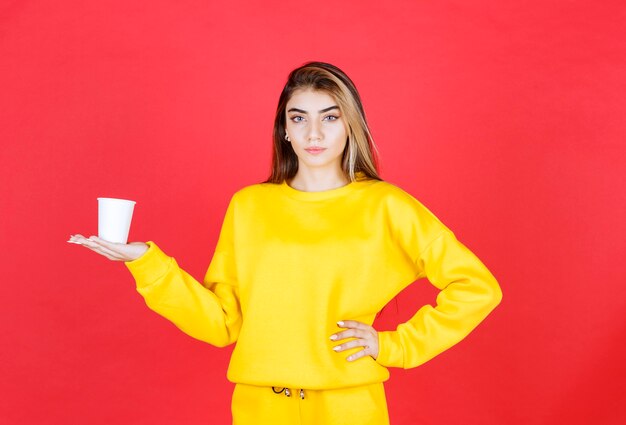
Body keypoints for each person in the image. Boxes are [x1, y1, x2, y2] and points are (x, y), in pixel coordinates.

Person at [68, 61, 503, 425]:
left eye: (330, 117)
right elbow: (223, 324)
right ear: (285, 130)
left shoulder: (386, 206)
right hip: (260, 407)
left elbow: (476, 287)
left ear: (350, 125)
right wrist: (145, 261)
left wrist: (394, 346)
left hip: (348, 407)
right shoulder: (250, 206)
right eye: (300, 118)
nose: (314, 133)